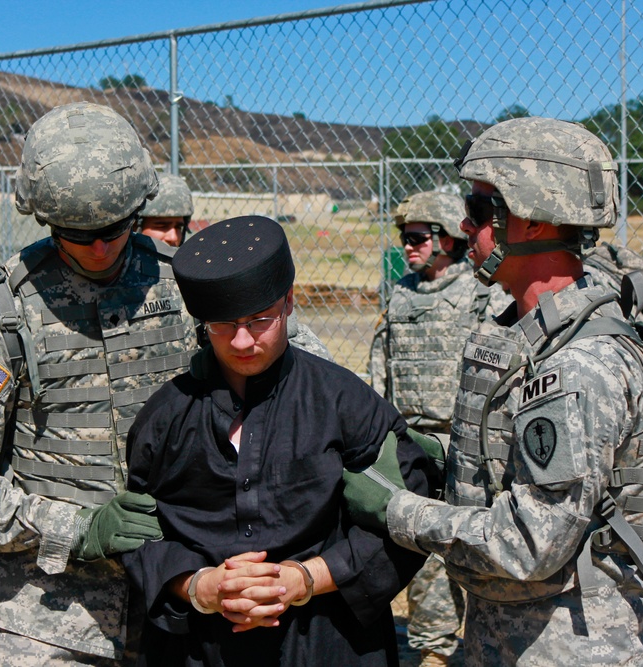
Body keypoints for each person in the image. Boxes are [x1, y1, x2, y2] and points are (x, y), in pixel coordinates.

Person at [344, 117, 643, 666]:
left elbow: (528, 543)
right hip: (509, 634)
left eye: (478, 212)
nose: (463, 225)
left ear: (525, 221)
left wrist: (395, 510)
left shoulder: (577, 366)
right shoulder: (521, 332)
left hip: (569, 646)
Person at [0, 102, 195, 665]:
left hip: (182, 598)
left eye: (115, 228)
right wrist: (81, 530)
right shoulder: (0, 315)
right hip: (46, 619)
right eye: (76, 233)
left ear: (140, 206)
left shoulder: (190, 287)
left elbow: (294, 385)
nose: (99, 248)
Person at [122, 215, 434, 667]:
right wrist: (201, 586)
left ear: (288, 301)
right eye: (224, 325)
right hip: (202, 646)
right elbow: (137, 531)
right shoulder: (165, 416)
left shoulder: (344, 401)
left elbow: (406, 514)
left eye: (259, 319)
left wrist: (304, 579)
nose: (243, 340)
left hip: (329, 639)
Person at [369, 190, 510, 667]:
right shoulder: (403, 292)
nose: (408, 247)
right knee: (425, 551)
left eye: (417, 238)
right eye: (404, 238)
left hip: (468, 441)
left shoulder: (478, 292)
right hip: (416, 439)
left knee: (478, 544)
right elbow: (380, 363)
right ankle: (435, 649)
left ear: (447, 240)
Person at [138, 172, 333, 361]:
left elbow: (282, 329)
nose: (172, 237)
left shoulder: (204, 269)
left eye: (178, 227)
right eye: (161, 226)